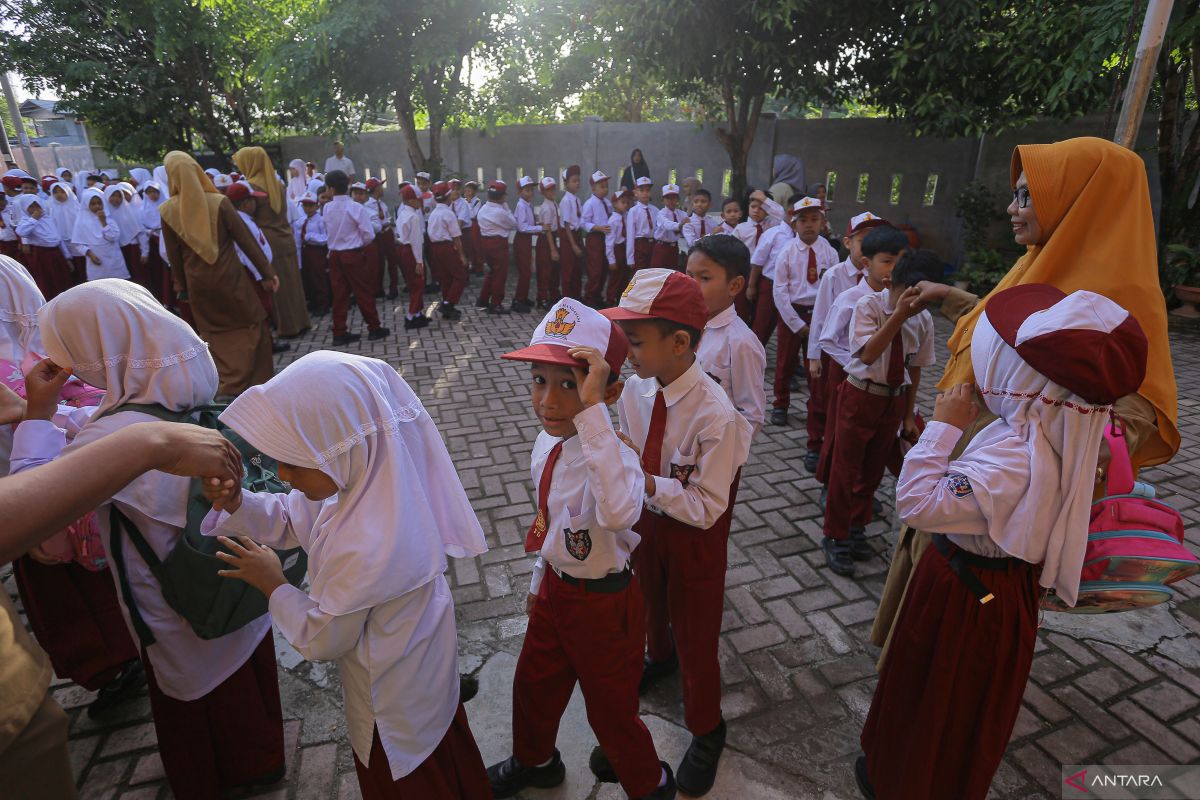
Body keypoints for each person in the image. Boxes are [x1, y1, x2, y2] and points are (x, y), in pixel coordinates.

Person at [869, 137, 1180, 669]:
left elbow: (1135, 410)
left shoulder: (1115, 298)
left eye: (1026, 197)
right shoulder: (1039, 264)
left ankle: (922, 729)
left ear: (1076, 200)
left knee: (953, 632)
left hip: (998, 500)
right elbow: (1010, 328)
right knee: (928, 589)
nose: (1012, 210)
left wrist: (1047, 440)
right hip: (965, 463)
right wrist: (953, 300)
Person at [858, 286, 1148, 800]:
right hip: (989, 593)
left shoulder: (1014, 459)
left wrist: (942, 430)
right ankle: (903, 771)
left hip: (970, 599)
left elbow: (918, 503)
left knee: (938, 699)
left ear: (1023, 380)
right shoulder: (1055, 431)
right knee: (946, 698)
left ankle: (906, 782)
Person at [11, 280, 286, 799]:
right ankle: (262, 760)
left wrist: (38, 416)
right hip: (236, 588)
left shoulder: (111, 439)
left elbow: (43, 533)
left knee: (195, 689)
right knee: (243, 663)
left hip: (176, 610)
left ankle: (214, 778)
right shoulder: (192, 388)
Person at [200, 351, 491, 800]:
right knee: (442, 747)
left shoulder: (368, 541)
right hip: (423, 669)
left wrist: (274, 585)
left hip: (393, 697)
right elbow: (292, 519)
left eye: (294, 463)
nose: (281, 474)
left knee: (414, 774)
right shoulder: (369, 478)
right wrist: (239, 504)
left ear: (343, 447)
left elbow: (324, 639)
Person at [0, 404, 241, 800]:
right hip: (221, 614)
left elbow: (48, 541)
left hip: (20, 704)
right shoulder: (182, 410)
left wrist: (39, 417)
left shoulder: (106, 428)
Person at [488, 299, 676, 800]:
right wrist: (536, 582)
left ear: (609, 390)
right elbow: (549, 521)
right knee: (533, 686)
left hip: (604, 604)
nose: (548, 401)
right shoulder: (545, 444)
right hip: (555, 591)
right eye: (539, 380)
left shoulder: (617, 455)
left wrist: (593, 414)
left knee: (611, 712)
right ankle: (537, 760)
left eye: (570, 383)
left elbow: (618, 513)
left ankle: (650, 784)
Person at [600, 268, 752, 797]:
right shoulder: (639, 391)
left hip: (695, 538)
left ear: (681, 342)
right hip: (650, 523)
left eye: (635, 341)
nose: (627, 352)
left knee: (696, 629)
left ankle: (708, 726)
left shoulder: (716, 416)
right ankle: (657, 658)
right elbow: (625, 442)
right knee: (648, 602)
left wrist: (643, 482)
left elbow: (708, 506)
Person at [0, 256, 142, 722]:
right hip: (48, 464)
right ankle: (117, 656)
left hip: (42, 470)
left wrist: (34, 411)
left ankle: (113, 661)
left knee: (69, 567)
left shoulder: (41, 354)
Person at [821, 244, 933, 578]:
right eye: (905, 294)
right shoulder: (868, 306)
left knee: (871, 472)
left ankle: (856, 528)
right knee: (846, 470)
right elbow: (867, 355)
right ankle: (836, 536)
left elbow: (915, 369)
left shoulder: (923, 319)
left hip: (894, 400)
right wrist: (898, 315)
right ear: (890, 283)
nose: (913, 305)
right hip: (860, 396)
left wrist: (907, 416)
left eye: (921, 299)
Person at [159, 152, 278, 396]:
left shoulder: (168, 210)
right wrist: (267, 273)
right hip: (232, 281)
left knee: (216, 336)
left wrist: (181, 287)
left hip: (199, 286)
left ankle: (227, 386)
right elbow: (245, 241)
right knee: (252, 327)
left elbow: (174, 256)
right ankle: (258, 386)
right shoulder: (219, 202)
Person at [814, 226, 904, 493]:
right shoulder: (851, 296)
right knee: (838, 434)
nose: (893, 268)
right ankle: (830, 486)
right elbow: (827, 338)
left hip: (883, 381)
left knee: (872, 442)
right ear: (868, 261)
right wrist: (856, 363)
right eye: (887, 261)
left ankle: (859, 493)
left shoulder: (899, 299)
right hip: (847, 372)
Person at [804, 212, 888, 473]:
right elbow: (820, 318)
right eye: (863, 239)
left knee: (857, 417)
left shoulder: (884, 276)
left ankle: (851, 470)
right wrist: (814, 356)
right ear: (847, 242)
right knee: (828, 407)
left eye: (875, 239)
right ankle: (819, 451)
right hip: (840, 358)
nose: (869, 245)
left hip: (870, 359)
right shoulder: (835, 275)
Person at [768, 197, 839, 426]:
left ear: (823, 222)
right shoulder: (786, 252)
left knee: (815, 366)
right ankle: (780, 403)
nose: (809, 224)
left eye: (814, 219)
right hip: (792, 313)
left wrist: (822, 321)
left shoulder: (829, 252)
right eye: (803, 220)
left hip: (819, 313)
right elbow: (780, 292)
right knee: (785, 362)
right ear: (794, 223)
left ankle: (816, 407)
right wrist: (797, 324)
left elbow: (835, 288)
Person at [687, 234, 767, 436]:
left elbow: (752, 415)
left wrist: (725, 457)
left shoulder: (741, 342)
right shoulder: (683, 325)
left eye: (704, 278)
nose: (691, 286)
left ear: (735, 286)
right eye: (689, 276)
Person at [233, 146, 311, 339]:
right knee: (293, 283)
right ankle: (301, 322)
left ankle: (287, 327)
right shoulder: (279, 184)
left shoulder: (251, 186)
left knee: (277, 287)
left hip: (265, 241)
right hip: (285, 237)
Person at [320, 170, 390, 345]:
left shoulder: (326, 208)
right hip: (353, 253)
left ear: (331, 188)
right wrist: (358, 243)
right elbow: (368, 234)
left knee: (340, 294)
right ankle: (374, 328)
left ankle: (339, 332)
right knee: (363, 291)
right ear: (348, 186)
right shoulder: (355, 207)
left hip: (335, 255)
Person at [13, 196, 73, 300]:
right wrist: (34, 219)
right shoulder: (27, 220)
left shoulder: (48, 218)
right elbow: (21, 232)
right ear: (25, 208)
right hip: (42, 256)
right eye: (31, 207)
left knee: (61, 280)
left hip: (56, 254)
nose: (35, 209)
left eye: (37, 206)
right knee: (46, 282)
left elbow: (58, 239)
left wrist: (67, 258)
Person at [476, 179, 519, 315]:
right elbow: (513, 223)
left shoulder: (483, 209)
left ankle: (483, 299)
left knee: (492, 272)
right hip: (498, 244)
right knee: (500, 274)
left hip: (485, 243)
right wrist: (505, 206)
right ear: (501, 196)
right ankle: (496, 304)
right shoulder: (500, 212)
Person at [427, 181, 468, 321]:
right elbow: (456, 237)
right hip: (446, 247)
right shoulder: (448, 213)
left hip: (434, 248)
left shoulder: (434, 213)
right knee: (460, 275)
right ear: (448, 196)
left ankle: (447, 308)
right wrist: (462, 255)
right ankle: (448, 303)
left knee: (446, 278)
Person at [72, 187, 129, 282]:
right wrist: (89, 254)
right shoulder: (81, 222)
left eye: (99, 203)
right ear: (86, 205)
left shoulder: (109, 220)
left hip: (113, 259)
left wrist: (103, 223)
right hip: (95, 260)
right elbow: (78, 243)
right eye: (93, 204)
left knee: (117, 284)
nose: (97, 206)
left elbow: (113, 237)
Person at [394, 184, 428, 329]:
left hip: (402, 249)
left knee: (412, 282)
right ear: (411, 201)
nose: (421, 202)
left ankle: (418, 314)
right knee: (417, 284)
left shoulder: (402, 212)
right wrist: (419, 262)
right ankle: (411, 315)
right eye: (418, 200)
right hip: (410, 251)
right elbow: (416, 241)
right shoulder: (413, 216)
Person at [103, 185, 149, 290]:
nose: (116, 199)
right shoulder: (104, 215)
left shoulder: (129, 212)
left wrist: (145, 252)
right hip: (115, 252)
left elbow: (140, 233)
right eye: (113, 195)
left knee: (137, 279)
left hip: (132, 250)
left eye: (119, 196)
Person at [293, 191, 331, 317]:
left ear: (317, 206)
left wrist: (310, 237)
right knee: (308, 277)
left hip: (317, 252)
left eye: (310, 205)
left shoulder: (321, 221)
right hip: (304, 252)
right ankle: (313, 301)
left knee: (319, 277)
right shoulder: (300, 221)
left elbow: (326, 238)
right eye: (304, 205)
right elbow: (297, 240)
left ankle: (323, 304)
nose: (307, 208)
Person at [580, 171, 613, 307]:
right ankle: (590, 298)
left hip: (606, 238)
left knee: (604, 268)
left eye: (606, 186)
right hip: (595, 238)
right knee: (595, 269)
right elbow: (583, 222)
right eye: (601, 186)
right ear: (593, 188)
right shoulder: (590, 203)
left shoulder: (607, 202)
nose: (605, 189)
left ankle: (598, 296)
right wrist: (597, 227)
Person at [512, 175, 542, 313]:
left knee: (527, 271)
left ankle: (523, 297)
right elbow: (522, 227)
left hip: (527, 240)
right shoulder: (521, 206)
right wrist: (540, 229)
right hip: (522, 239)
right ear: (520, 192)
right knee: (525, 272)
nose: (530, 193)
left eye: (531, 190)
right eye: (527, 190)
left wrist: (537, 224)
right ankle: (518, 300)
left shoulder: (527, 205)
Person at [46, 182, 84, 288]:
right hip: (61, 242)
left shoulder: (75, 206)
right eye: (56, 192)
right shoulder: (50, 206)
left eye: (62, 192)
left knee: (80, 265)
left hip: (77, 241)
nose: (59, 194)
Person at [364, 178, 397, 299]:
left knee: (392, 260)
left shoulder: (382, 204)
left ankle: (393, 288)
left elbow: (387, 218)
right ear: (376, 189)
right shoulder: (367, 206)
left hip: (387, 233)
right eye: (380, 186)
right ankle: (378, 288)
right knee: (378, 262)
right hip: (378, 235)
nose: (382, 188)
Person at [557, 166, 585, 299]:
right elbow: (567, 225)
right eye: (574, 181)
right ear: (566, 184)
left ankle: (576, 297)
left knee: (577, 270)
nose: (577, 183)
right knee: (568, 269)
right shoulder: (566, 201)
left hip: (577, 235)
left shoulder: (577, 200)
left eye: (578, 180)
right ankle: (567, 299)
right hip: (568, 237)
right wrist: (573, 245)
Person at [535, 176, 561, 309]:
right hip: (546, 240)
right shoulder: (546, 207)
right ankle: (542, 298)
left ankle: (553, 295)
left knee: (554, 270)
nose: (551, 192)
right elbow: (547, 230)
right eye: (548, 190)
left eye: (553, 189)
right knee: (545, 270)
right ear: (543, 192)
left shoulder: (554, 204)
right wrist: (553, 249)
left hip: (553, 237)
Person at [605, 188, 632, 307]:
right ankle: (610, 300)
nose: (625, 205)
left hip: (625, 249)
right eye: (622, 202)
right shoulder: (613, 220)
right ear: (615, 204)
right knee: (615, 278)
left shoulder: (627, 216)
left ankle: (620, 299)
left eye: (627, 202)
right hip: (617, 249)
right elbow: (609, 242)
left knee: (623, 276)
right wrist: (611, 260)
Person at [626, 177, 657, 272]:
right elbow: (630, 235)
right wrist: (630, 257)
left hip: (653, 245)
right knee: (640, 273)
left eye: (647, 190)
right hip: (640, 245)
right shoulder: (633, 211)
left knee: (652, 273)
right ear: (635, 193)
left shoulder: (655, 210)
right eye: (641, 190)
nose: (645, 193)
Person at [652, 184, 685, 269]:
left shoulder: (681, 214)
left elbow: (688, 225)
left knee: (672, 272)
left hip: (674, 247)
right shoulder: (661, 213)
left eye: (674, 198)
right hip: (661, 247)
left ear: (678, 199)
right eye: (668, 198)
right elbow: (666, 224)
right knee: (658, 273)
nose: (671, 201)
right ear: (662, 200)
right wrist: (680, 225)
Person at [462, 180, 485, 275]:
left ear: (474, 192)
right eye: (466, 191)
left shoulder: (477, 201)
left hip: (475, 225)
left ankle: (479, 267)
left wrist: (468, 203)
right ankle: (473, 265)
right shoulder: (464, 201)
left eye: (469, 191)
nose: (467, 193)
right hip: (466, 226)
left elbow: (473, 214)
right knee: (469, 247)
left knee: (477, 246)